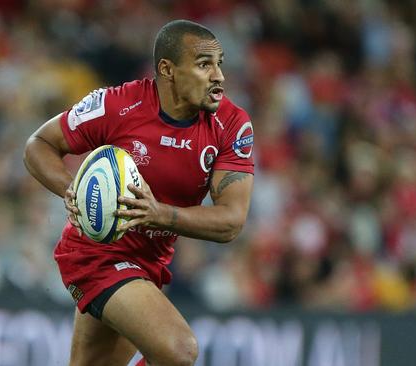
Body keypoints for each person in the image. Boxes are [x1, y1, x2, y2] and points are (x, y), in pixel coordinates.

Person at [24, 19, 254, 366]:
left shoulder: (232, 125)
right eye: (205, 64)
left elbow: (231, 221)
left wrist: (156, 212)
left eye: (219, 63)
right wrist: (73, 191)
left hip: (150, 262)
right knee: (178, 350)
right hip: (95, 254)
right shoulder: (119, 105)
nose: (219, 76)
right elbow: (38, 144)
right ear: (168, 69)